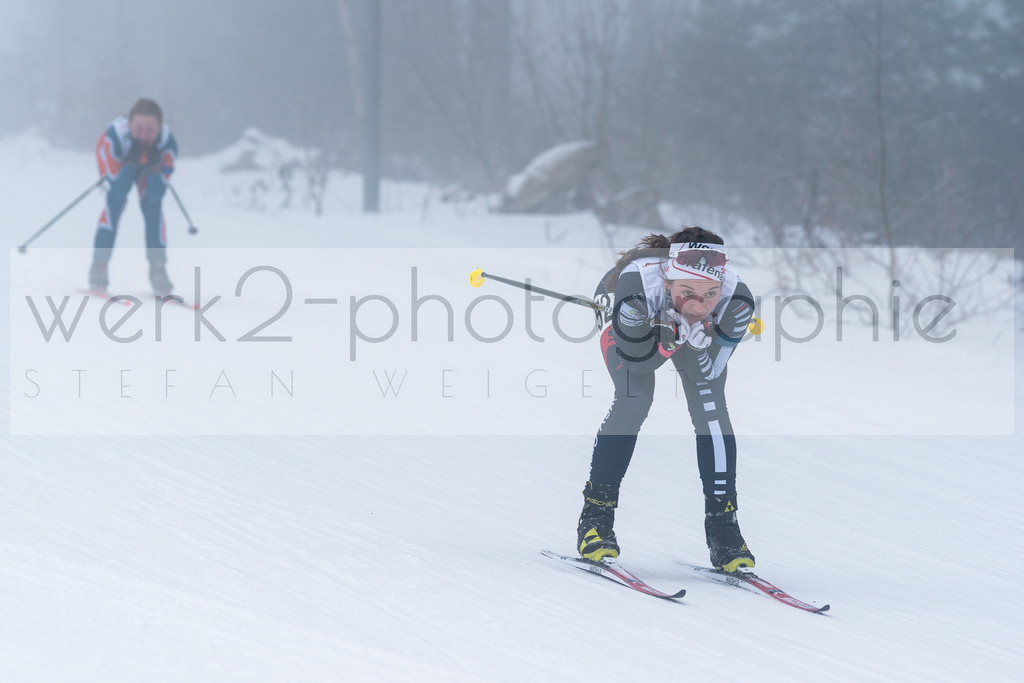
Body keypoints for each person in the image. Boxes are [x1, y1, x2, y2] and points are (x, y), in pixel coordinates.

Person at [577, 226, 757, 573]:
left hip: (672, 333)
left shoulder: (738, 302)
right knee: (636, 397)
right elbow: (636, 361)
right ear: (668, 280)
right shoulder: (636, 287)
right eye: (687, 291)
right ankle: (596, 518)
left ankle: (724, 529)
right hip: (634, 331)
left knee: (711, 407)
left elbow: (706, 374)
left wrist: (696, 342)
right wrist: (670, 337)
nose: (699, 304)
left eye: (710, 295)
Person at [89, 98, 178, 295]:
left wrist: (155, 168)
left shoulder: (167, 145)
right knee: (115, 203)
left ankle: (158, 268)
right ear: (129, 124)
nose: (144, 135)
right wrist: (130, 163)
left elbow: (156, 194)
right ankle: (99, 265)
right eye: (138, 129)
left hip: (149, 169)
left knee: (152, 207)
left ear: (159, 129)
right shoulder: (114, 139)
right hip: (120, 162)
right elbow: (117, 189)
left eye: (150, 130)